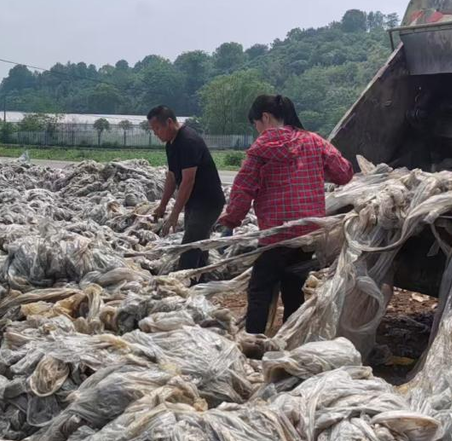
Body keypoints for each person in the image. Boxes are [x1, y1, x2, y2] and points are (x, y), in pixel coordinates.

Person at [219, 94, 353, 334]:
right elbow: (344, 173)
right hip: (307, 235)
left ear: (265, 117)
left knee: (259, 289)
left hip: (276, 235)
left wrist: (231, 219)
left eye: (256, 124)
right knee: (294, 289)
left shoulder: (260, 148)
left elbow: (243, 188)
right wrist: (317, 172)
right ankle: (291, 337)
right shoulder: (314, 141)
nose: (257, 130)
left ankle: (254, 340)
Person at [148, 105, 226, 271]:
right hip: (194, 201)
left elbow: (187, 181)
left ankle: (183, 280)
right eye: (153, 130)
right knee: (199, 242)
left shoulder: (188, 141)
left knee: (190, 246)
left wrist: (174, 215)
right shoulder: (171, 144)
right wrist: (162, 206)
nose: (155, 133)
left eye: (157, 128)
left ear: (169, 122)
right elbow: (172, 177)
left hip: (208, 202)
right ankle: (200, 277)